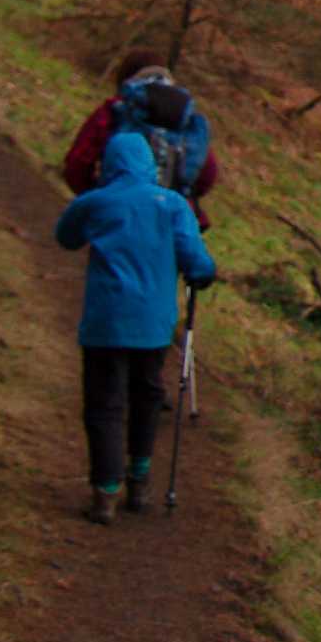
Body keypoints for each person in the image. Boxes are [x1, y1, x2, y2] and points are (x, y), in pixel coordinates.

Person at [55, 124, 218, 522]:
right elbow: (196, 260)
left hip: (105, 322)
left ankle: (105, 491)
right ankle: (140, 478)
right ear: (149, 164)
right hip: (153, 324)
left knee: (104, 404)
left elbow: (65, 236)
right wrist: (203, 273)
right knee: (146, 396)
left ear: (109, 163)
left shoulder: (96, 203)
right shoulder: (172, 204)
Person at [63, 49, 222, 229]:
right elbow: (208, 174)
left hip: (119, 216)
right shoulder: (185, 116)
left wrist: (97, 197)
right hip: (170, 220)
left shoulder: (116, 109)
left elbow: (77, 164)